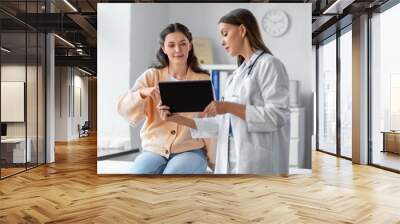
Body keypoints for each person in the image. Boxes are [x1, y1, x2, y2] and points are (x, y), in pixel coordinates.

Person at [159, 9, 290, 175]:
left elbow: (277, 116)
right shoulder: (235, 76)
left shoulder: (269, 64)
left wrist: (228, 107)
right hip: (231, 159)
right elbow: (222, 125)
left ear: (242, 30)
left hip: (257, 161)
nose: (222, 41)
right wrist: (179, 119)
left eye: (225, 33)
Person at [117, 23, 210, 174]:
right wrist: (142, 93)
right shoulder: (151, 75)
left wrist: (212, 157)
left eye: (183, 44)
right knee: (137, 175)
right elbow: (124, 108)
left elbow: (208, 122)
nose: (178, 50)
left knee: (171, 177)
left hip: (190, 150)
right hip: (154, 149)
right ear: (163, 48)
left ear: (190, 46)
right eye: (171, 45)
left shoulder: (202, 79)